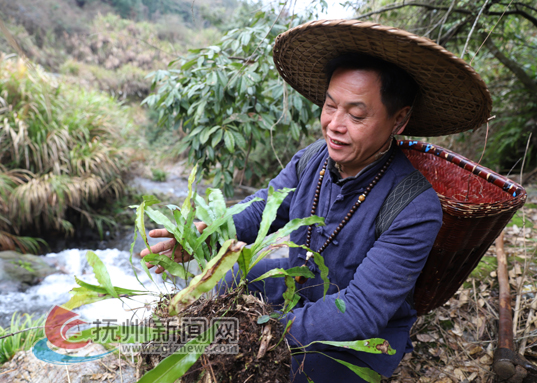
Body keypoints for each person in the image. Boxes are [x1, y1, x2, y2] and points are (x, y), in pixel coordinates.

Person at [140, 20, 492, 383]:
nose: (335, 125)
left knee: (269, 371)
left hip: (357, 337)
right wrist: (205, 236)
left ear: (398, 120)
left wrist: (265, 333)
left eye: (356, 115)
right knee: (228, 276)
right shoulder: (312, 159)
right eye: (330, 106)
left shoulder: (414, 208)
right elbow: (264, 207)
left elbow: (359, 310)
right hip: (299, 290)